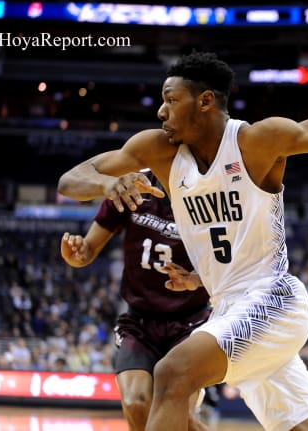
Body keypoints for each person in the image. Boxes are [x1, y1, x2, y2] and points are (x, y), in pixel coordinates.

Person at [57, 50, 308, 431]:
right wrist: (107, 184)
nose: (161, 111)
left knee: (172, 374)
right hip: (227, 308)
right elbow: (71, 179)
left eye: (171, 100)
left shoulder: (257, 142)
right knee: (305, 427)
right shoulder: (158, 151)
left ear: (205, 100)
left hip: (272, 299)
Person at [60, 171, 211, 431]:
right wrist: (76, 255)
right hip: (140, 320)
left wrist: (197, 279)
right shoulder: (131, 184)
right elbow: (86, 251)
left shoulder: (209, 188)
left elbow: (229, 264)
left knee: (182, 416)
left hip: (191, 322)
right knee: (135, 402)